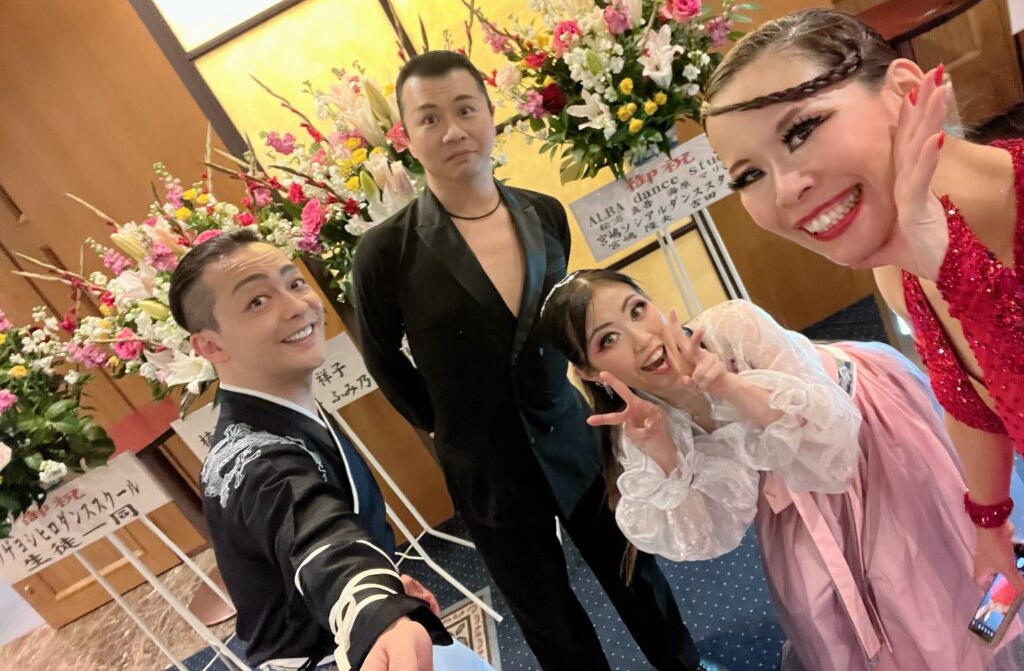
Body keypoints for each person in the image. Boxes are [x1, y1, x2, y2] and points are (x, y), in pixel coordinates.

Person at [351, 51, 718, 671]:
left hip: (571, 429)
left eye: (466, 109)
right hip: (483, 458)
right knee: (545, 611)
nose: (453, 131)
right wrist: (445, 424)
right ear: (406, 135)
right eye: (430, 118)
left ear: (490, 114)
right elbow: (383, 357)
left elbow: (561, 321)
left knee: (634, 568)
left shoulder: (543, 212)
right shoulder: (385, 252)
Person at [539, 268, 1019, 670]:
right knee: (823, 608)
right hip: (789, 492)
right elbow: (708, 536)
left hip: (866, 435)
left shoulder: (732, 326)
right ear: (588, 372)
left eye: (637, 310)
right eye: (608, 340)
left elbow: (832, 443)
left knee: (926, 578)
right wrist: (664, 453)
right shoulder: (640, 426)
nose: (643, 339)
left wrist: (729, 387)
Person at [700, 8, 1024, 599]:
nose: (786, 189)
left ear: (903, 90)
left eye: (802, 129)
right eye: (748, 175)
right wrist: (990, 520)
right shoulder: (899, 271)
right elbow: (974, 402)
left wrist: (958, 272)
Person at [169, 230, 491, 671]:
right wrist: (376, 611)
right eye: (257, 301)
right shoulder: (261, 463)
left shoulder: (278, 409)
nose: (297, 306)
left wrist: (385, 584)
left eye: (295, 282)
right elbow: (317, 537)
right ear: (210, 345)